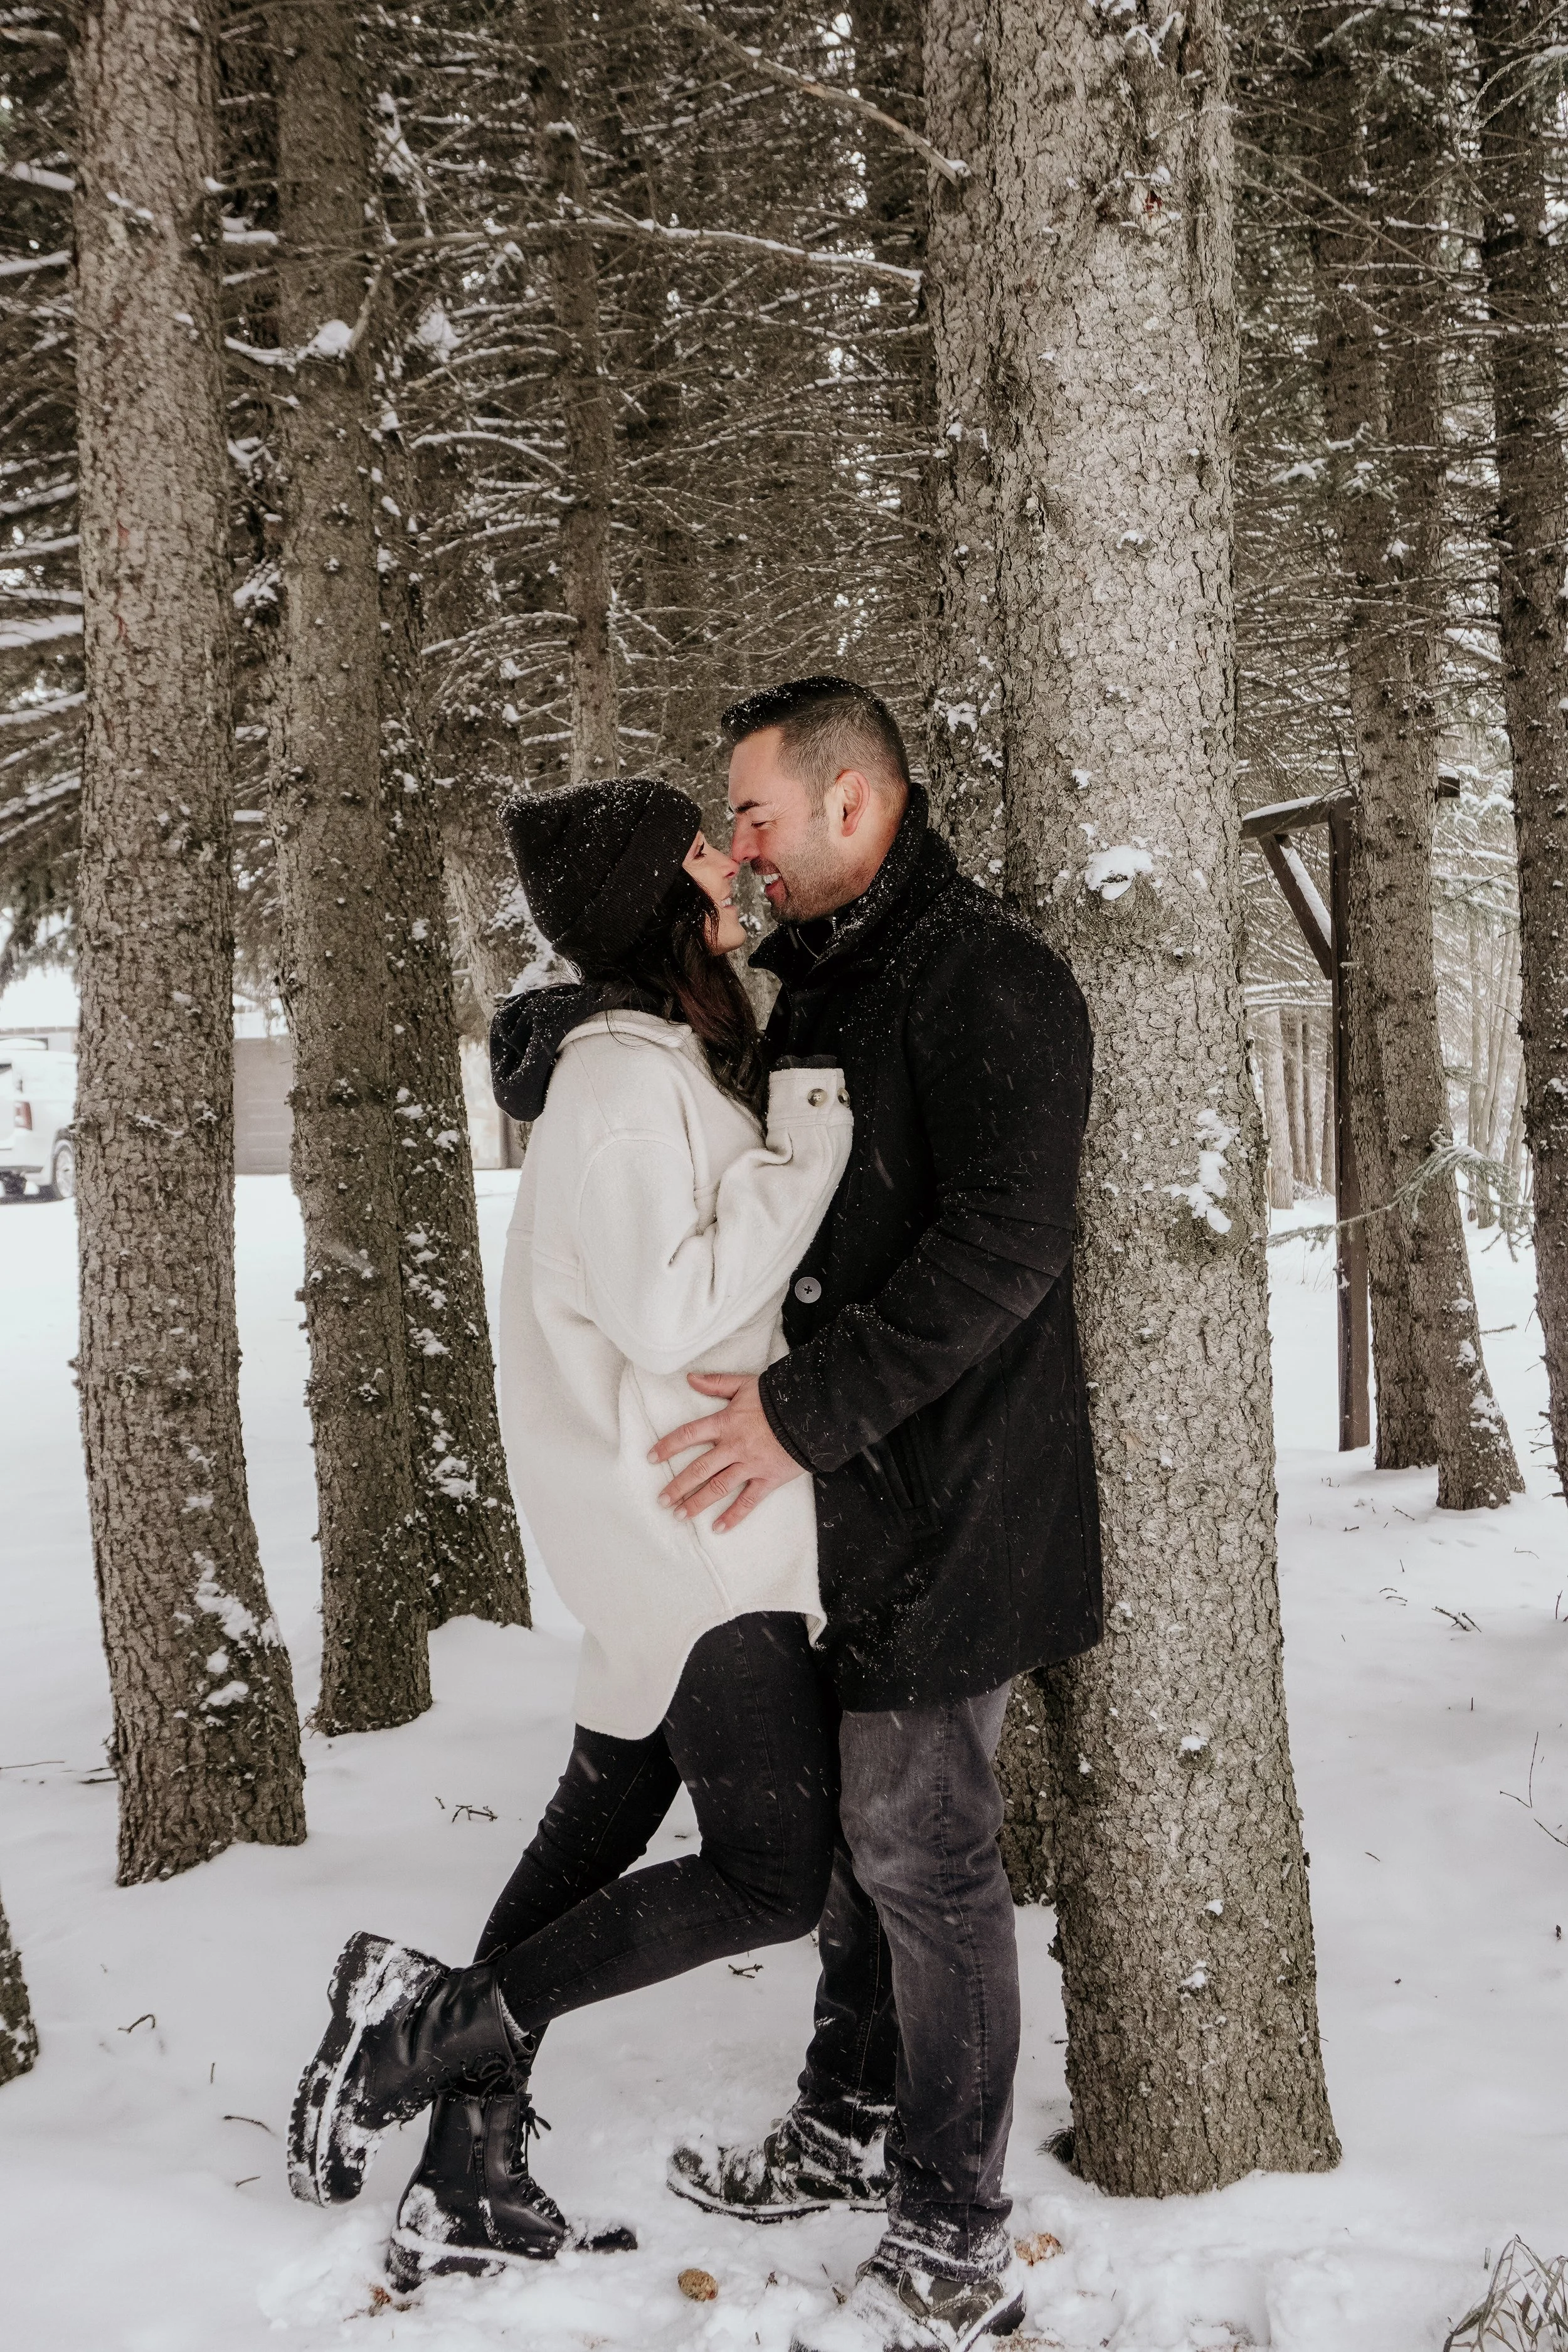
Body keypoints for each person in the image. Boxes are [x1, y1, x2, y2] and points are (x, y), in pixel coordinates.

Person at [286, 777, 854, 2288]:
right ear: (645, 900)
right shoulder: (617, 1082)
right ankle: (413, 2034)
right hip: (696, 1536)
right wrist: (804, 1145)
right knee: (770, 1877)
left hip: (655, 1520)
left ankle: (464, 2173)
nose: (728, 864)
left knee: (585, 1843)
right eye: (699, 847)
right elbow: (674, 1307)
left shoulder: (646, 1059)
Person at [652, 679, 1100, 2352]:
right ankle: (840, 2125)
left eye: (757, 815)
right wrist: (705, 952)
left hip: (957, 1496)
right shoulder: (826, 975)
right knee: (858, 1840)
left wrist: (796, 1413)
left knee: (922, 1848)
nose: (740, 845)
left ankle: (948, 2228)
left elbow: (1003, 1248)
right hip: (827, 1504)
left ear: (859, 804)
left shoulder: (993, 975)